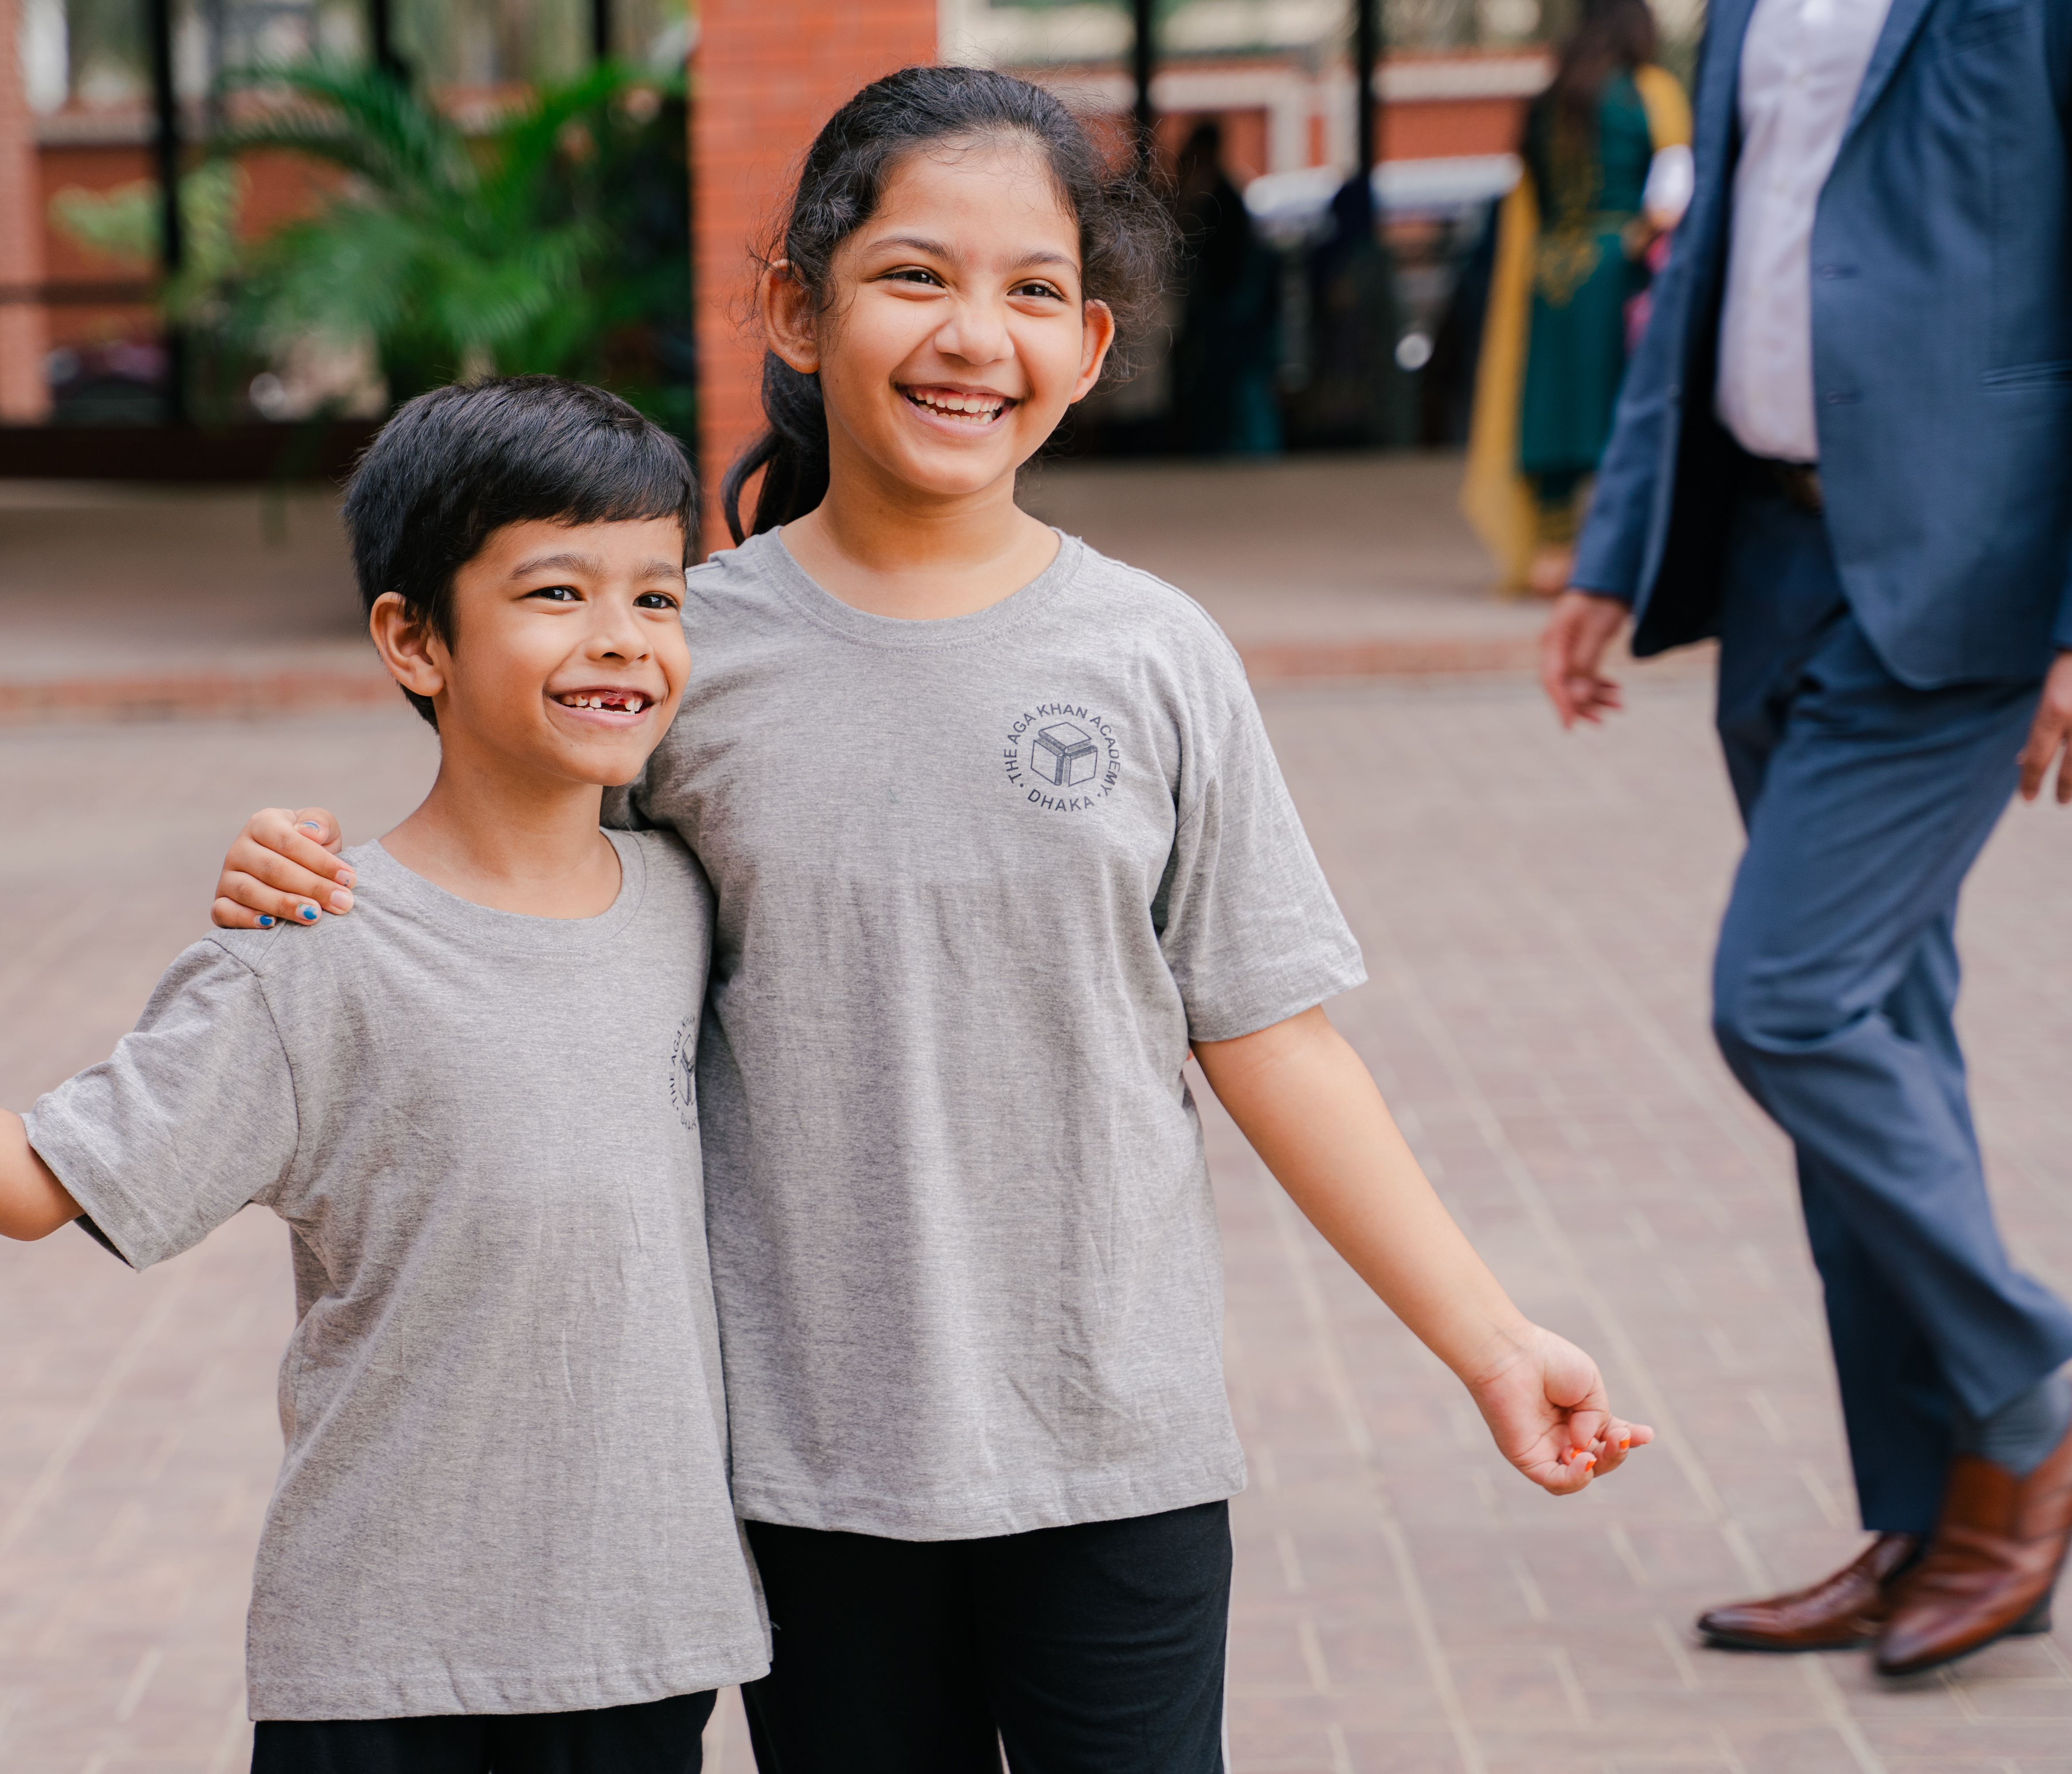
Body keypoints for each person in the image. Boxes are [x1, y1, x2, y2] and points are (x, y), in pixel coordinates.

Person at [212, 66, 1652, 1773]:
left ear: (1093, 348)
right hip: (793, 1461)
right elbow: (501, 887)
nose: (974, 333)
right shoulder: (679, 653)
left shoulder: (1153, 654)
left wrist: (1488, 1338)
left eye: (1031, 289)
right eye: (914, 274)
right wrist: (309, 871)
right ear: (793, 309)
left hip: (1113, 1445)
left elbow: (1267, 1027)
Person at [0, 376, 765, 1773]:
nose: (622, 640)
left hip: (645, 1640)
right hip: (385, 1668)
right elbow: (45, 1181)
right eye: (556, 593)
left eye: (659, 596)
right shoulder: (309, 949)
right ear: (413, 637)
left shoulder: (687, 900)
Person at [1541, 0, 2072, 1678]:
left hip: (1964, 574)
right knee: (1878, 1048)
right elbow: (1707, 273)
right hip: (1774, 562)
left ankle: (2037, 1387)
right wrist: (1615, 546)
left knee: (1789, 1002)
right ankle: (1938, 1514)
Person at [1461, 0, 1689, 597]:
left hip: (1550, 273)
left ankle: (1554, 554)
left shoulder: (1550, 97)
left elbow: (1529, 195)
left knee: (1554, 405)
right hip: (1620, 269)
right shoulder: (1649, 91)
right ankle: (1625, 558)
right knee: (1628, 409)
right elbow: (1676, 187)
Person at [1165, 120, 1278, 456]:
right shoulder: (1215, 194)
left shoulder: (1221, 200)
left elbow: (1217, 262)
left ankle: (1241, 450)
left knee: (1228, 387)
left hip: (1228, 313)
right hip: (1223, 311)